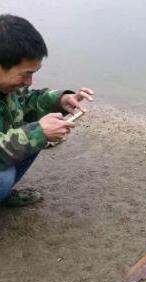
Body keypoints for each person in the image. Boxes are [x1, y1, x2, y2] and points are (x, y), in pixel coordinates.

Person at [0, 14, 94, 207]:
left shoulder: (6, 88)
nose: (29, 82)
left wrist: (60, 100)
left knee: (37, 131)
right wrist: (37, 133)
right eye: (26, 74)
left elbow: (25, 102)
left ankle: (4, 194)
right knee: (4, 176)